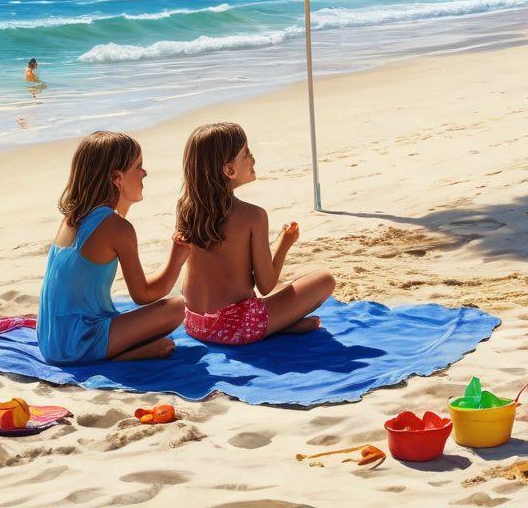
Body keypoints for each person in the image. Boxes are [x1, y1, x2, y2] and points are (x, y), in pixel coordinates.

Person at [176, 123, 335, 345]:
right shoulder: (253, 216)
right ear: (229, 170)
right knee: (324, 280)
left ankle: (280, 325)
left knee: (287, 284)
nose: (253, 159)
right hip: (237, 328)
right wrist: (285, 243)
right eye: (247, 154)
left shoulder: (186, 209)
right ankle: (276, 327)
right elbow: (266, 285)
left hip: (195, 324)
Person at [38, 132, 188, 364]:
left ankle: (122, 349)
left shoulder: (71, 218)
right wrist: (178, 257)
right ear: (117, 178)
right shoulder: (118, 228)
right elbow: (143, 295)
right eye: (138, 166)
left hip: (50, 342)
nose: (144, 172)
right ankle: (125, 355)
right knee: (176, 307)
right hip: (79, 343)